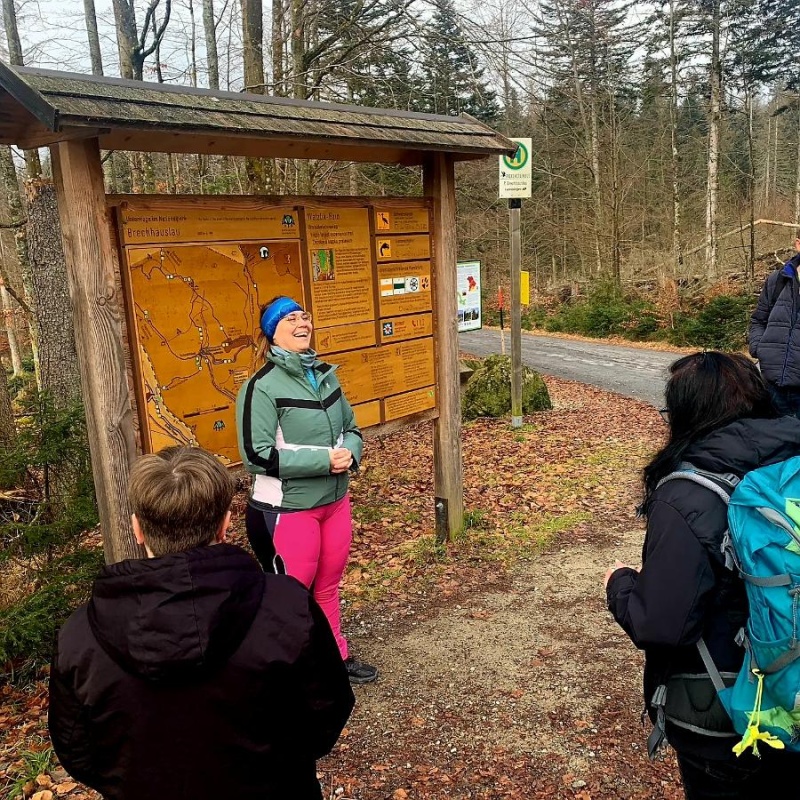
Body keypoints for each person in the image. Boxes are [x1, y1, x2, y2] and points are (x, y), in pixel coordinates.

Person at [48, 446, 354, 800]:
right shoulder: (287, 607)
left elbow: (76, 748)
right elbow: (326, 710)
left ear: (137, 528)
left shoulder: (79, 637)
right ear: (225, 525)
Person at [604, 351, 800, 799]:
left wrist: (620, 584)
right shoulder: (792, 464)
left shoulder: (688, 494)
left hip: (727, 714)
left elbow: (664, 626)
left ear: (687, 414)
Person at [236, 295, 378, 685]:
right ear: (272, 333)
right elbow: (255, 455)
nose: (302, 323)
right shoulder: (259, 388)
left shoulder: (326, 375)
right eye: (290, 318)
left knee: (328, 586)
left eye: (304, 316)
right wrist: (324, 462)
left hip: (334, 503)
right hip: (287, 510)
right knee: (289, 596)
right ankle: (291, 672)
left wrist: (351, 452)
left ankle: (334, 658)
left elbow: (351, 427)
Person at [748, 231, 800, 416]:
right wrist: (758, 348)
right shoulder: (777, 280)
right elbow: (758, 320)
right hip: (771, 389)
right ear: (798, 244)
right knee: (772, 444)